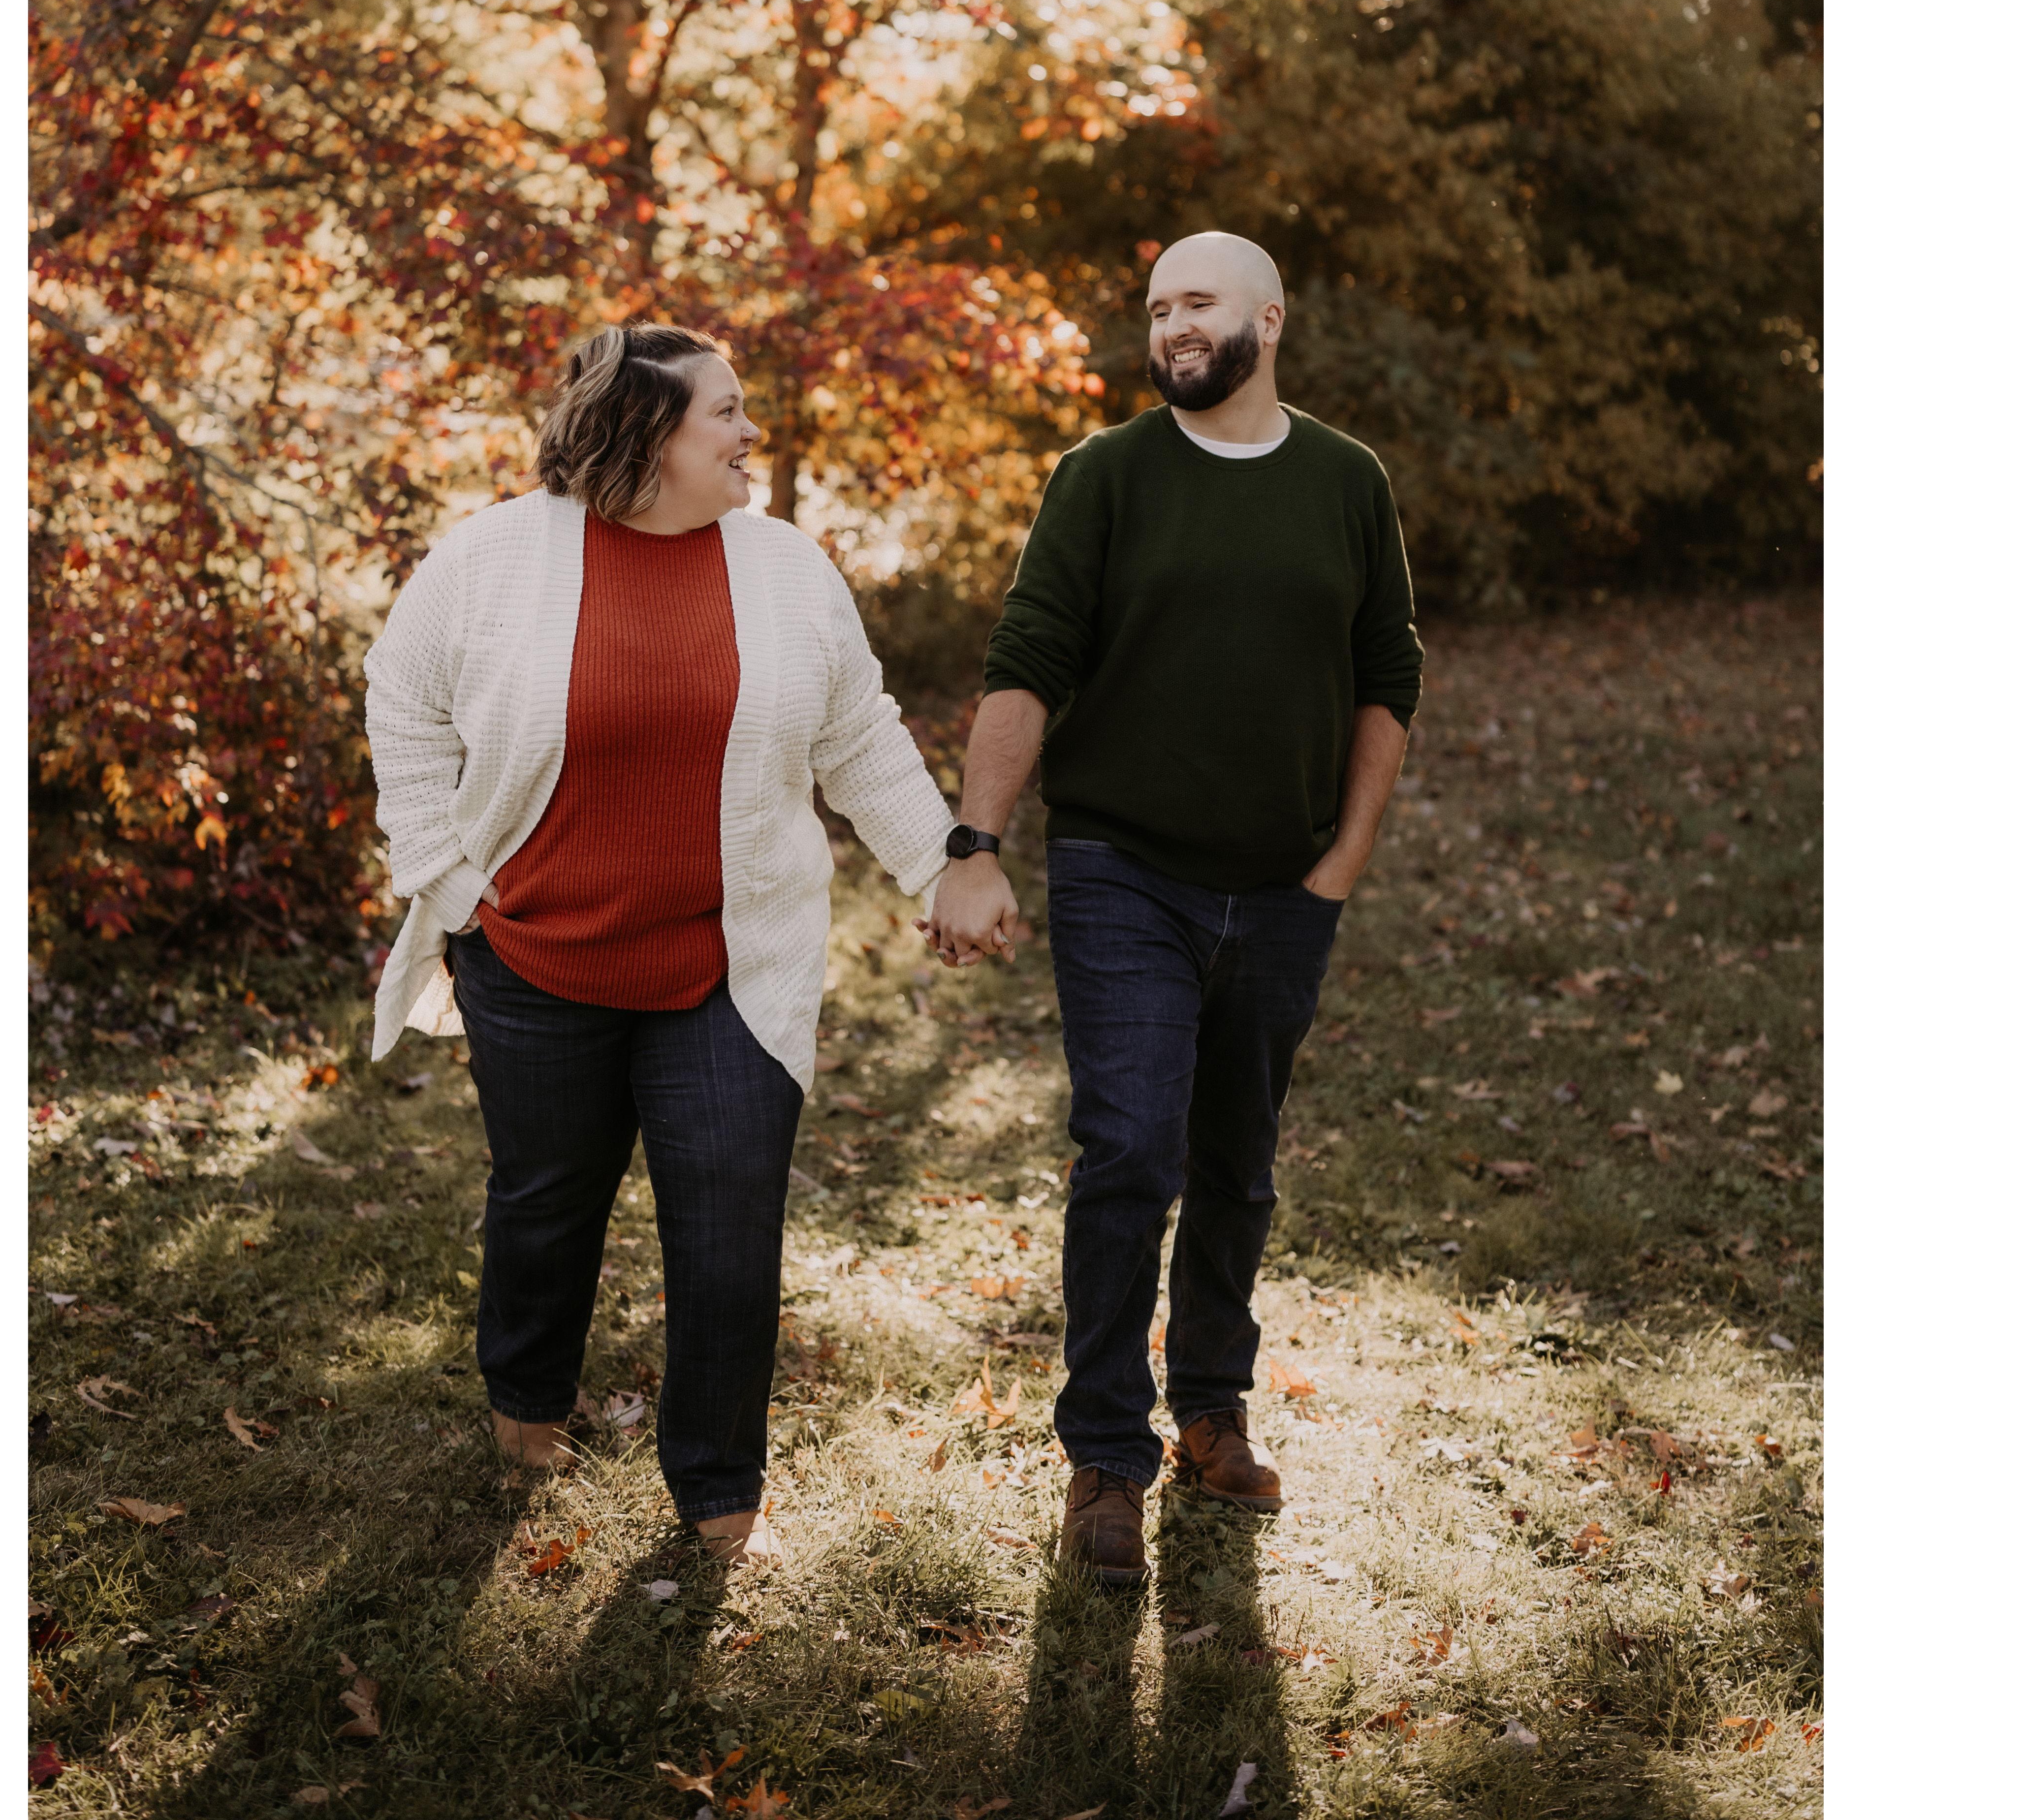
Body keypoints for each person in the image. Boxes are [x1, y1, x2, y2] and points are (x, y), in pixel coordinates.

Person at [363, 323, 955, 1566]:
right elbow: (404, 695)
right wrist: (446, 877)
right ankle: (529, 1406)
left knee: (730, 1225)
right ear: (646, 434)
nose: (750, 433)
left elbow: (858, 734)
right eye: (724, 413)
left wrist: (943, 866)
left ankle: (720, 1490)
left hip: (730, 967)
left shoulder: (786, 569)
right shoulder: (490, 559)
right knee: (546, 1202)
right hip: (535, 957)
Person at [924, 233, 1422, 1584]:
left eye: (1198, 302)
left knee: (1237, 1162)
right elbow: (1028, 657)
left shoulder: (1346, 481)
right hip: (1123, 870)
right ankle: (1105, 1456)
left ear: (1271, 316)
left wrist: (1341, 865)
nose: (1173, 326)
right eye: (1157, 308)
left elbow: (1388, 673)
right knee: (1132, 1147)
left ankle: (1211, 1409)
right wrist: (976, 844)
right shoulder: (1104, 476)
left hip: (1283, 887)